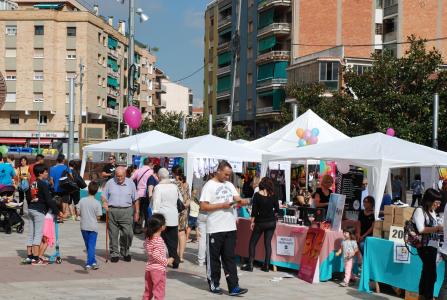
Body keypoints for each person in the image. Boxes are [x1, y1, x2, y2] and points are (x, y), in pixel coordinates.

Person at [200, 160, 249, 296]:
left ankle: (234, 286)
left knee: (229, 258)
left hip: (230, 227)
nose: (228, 177)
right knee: (214, 259)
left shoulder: (229, 185)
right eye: (226, 174)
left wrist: (244, 201)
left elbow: (237, 199)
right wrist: (222, 205)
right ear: (219, 171)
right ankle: (214, 284)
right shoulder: (209, 185)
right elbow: (203, 206)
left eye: (229, 175)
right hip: (215, 228)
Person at [25, 164, 62, 265]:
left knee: (31, 233)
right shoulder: (43, 184)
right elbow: (49, 200)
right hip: (39, 211)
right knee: (38, 234)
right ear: (41, 173)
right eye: (45, 172)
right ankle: (36, 258)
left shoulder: (33, 183)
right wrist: (58, 212)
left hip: (31, 209)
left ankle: (29, 256)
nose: (47, 174)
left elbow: (28, 197)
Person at [241, 177, 280, 272]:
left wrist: (252, 222)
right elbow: (277, 210)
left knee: (253, 243)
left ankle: (250, 265)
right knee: (267, 244)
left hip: (260, 222)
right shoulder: (274, 195)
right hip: (271, 222)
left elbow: (254, 211)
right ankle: (266, 266)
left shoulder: (257, 195)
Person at [101, 166, 138, 263]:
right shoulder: (110, 183)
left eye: (121, 176)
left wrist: (137, 212)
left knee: (128, 233)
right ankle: (114, 253)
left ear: (125, 174)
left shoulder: (131, 183)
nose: (119, 178)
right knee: (113, 234)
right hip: (112, 210)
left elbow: (136, 199)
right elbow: (103, 196)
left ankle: (125, 251)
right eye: (117, 176)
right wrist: (104, 203)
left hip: (126, 211)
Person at [412, 188, 443, 300]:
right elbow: (421, 229)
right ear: (429, 200)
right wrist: (437, 228)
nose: (438, 205)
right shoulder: (420, 210)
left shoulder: (432, 211)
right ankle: (428, 296)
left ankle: (422, 296)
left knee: (426, 272)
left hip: (433, 246)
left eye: (439, 203)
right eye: (436, 202)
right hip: (424, 246)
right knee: (431, 274)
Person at [151, 168, 182, 269]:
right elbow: (180, 200)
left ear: (159, 176)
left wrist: (154, 216)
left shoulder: (158, 187)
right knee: (173, 240)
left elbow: (156, 203)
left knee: (161, 240)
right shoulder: (174, 186)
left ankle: (164, 259)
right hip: (173, 216)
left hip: (162, 217)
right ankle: (175, 259)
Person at [143, 213, 174, 300]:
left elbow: (147, 248)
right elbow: (156, 255)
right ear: (162, 227)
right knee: (159, 293)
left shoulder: (149, 238)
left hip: (149, 269)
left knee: (148, 292)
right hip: (158, 270)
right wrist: (167, 261)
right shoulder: (158, 240)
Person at [77, 181, 102, 270]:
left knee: (88, 245)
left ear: (88, 189)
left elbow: (78, 212)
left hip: (83, 226)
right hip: (93, 227)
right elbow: (98, 217)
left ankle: (93, 262)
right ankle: (89, 263)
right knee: (91, 246)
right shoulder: (97, 203)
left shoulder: (82, 200)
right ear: (97, 191)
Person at [173, 167, 190, 263]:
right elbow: (188, 198)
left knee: (174, 233)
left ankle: (174, 254)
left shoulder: (173, 184)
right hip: (183, 210)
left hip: (175, 210)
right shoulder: (186, 184)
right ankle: (181, 256)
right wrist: (185, 205)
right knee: (182, 233)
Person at [131, 158, 153, 225]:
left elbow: (130, 179)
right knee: (146, 212)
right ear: (150, 163)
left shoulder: (138, 170)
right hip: (146, 194)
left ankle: (137, 227)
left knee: (138, 211)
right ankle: (146, 227)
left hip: (138, 194)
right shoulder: (151, 171)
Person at [49, 154, 71, 219]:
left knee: (57, 202)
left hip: (56, 189)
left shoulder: (52, 168)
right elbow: (71, 177)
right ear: (63, 160)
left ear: (57, 160)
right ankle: (63, 216)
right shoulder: (66, 168)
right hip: (65, 188)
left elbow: (51, 180)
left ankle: (58, 215)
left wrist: (53, 186)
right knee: (64, 202)